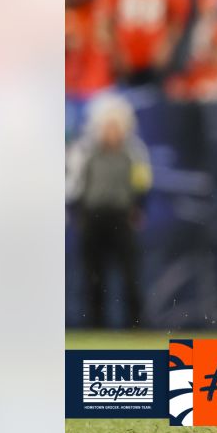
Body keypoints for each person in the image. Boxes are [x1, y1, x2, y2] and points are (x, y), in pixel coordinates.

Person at [66, 93, 153, 327]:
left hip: (122, 218)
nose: (112, 132)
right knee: (93, 277)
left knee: (130, 275)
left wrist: (139, 208)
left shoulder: (134, 151)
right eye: (107, 126)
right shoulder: (85, 151)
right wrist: (76, 214)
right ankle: (95, 325)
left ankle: (136, 326)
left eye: (116, 126)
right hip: (92, 218)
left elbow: (142, 183)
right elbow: (74, 185)